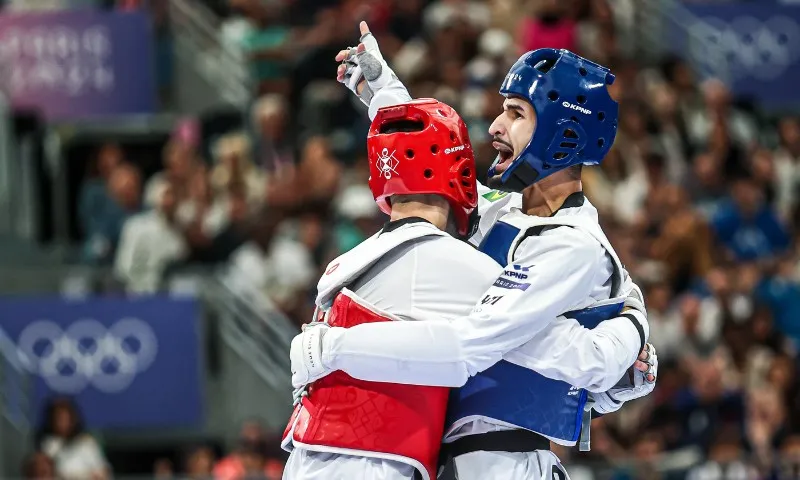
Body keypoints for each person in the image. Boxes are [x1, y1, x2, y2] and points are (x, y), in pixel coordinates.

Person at [290, 23, 657, 479]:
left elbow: (472, 346)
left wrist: (334, 348)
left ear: (564, 132)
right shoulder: (504, 212)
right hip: (450, 454)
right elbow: (436, 165)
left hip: (504, 462)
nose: (496, 126)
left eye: (517, 113)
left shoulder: (573, 246)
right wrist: (381, 89)